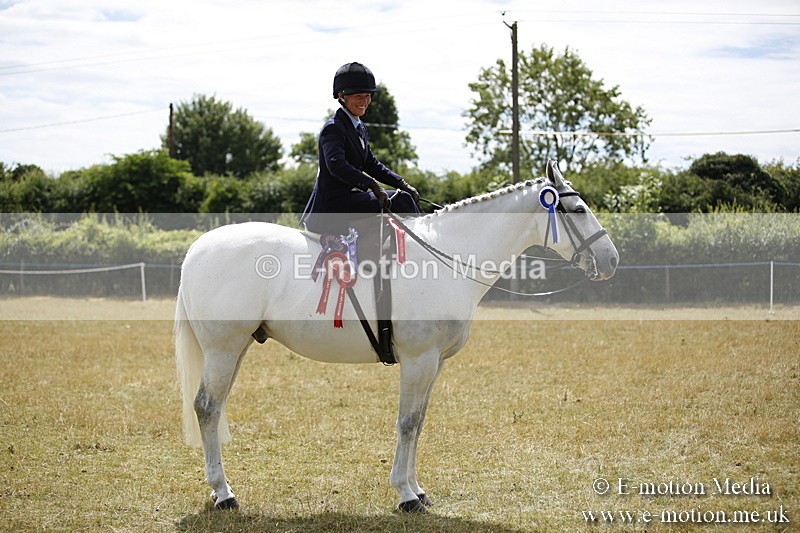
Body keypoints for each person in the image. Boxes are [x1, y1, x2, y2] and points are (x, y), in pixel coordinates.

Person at [300, 62, 420, 234]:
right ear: (341, 96)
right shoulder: (333, 127)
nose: (365, 101)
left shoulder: (359, 127)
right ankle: (421, 249)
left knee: (405, 195)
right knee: (402, 200)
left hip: (348, 199)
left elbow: (371, 163)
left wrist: (402, 183)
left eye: (368, 95)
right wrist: (372, 185)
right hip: (332, 205)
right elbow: (336, 165)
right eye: (359, 96)